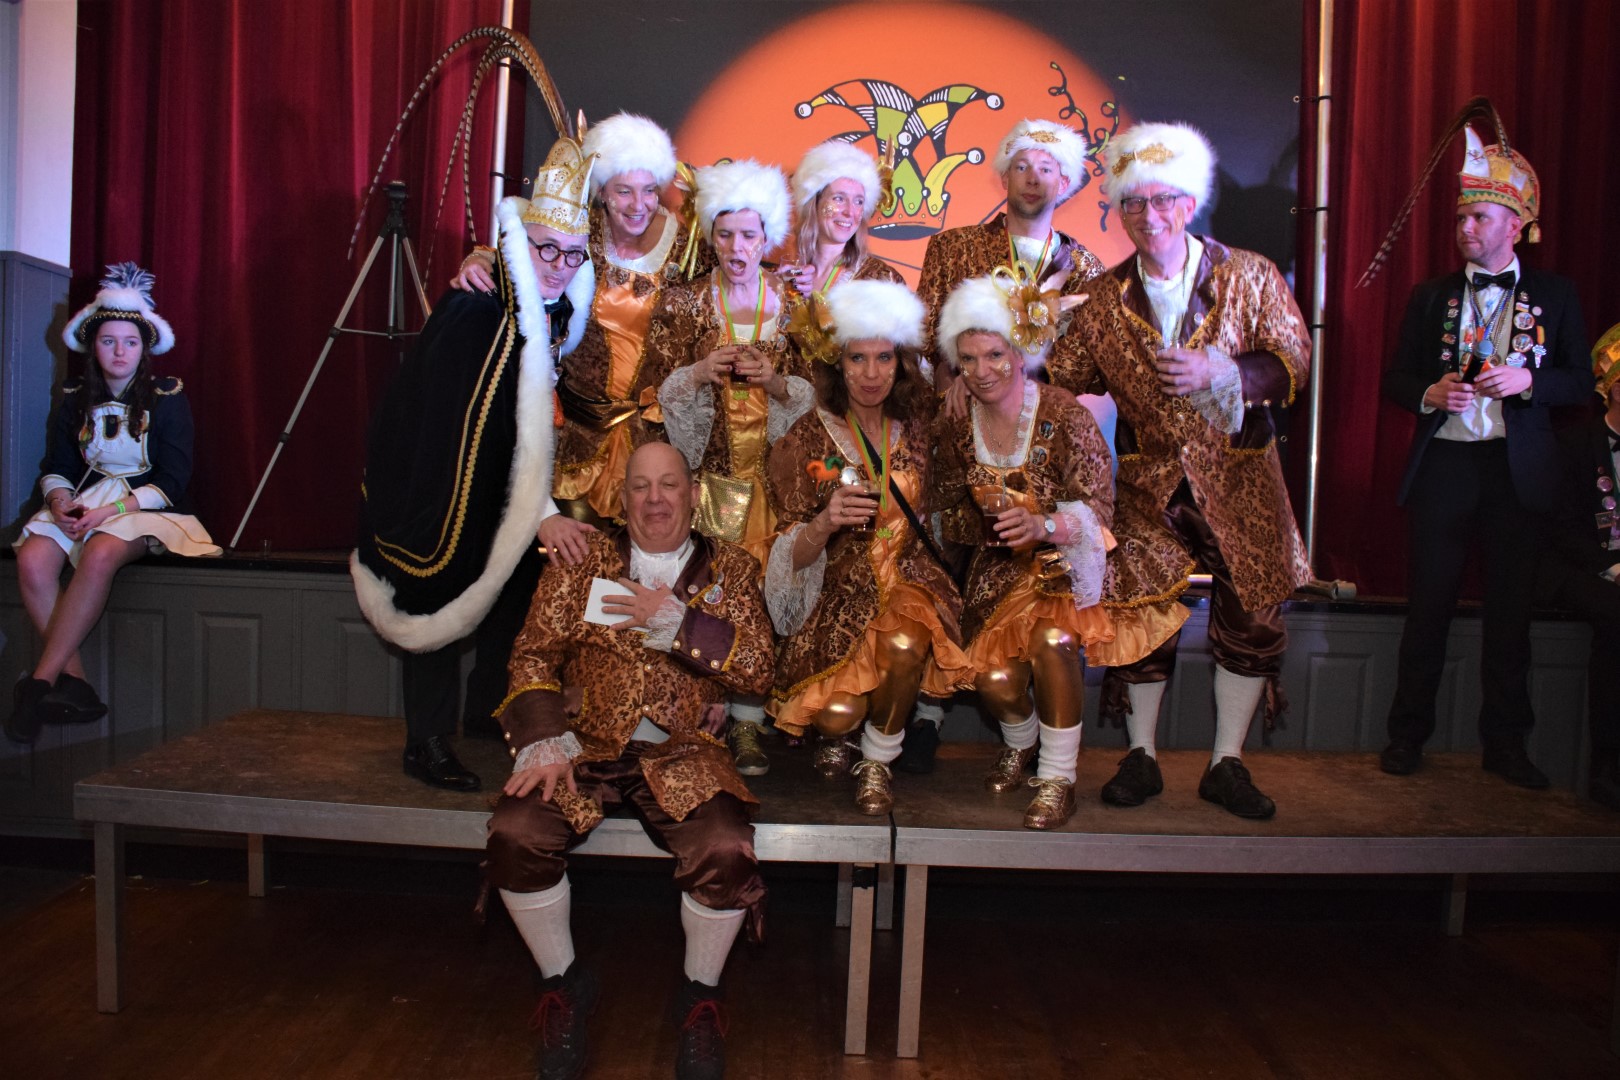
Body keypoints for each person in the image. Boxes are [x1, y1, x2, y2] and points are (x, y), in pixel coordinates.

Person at [1049, 121, 1312, 820]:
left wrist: (1225, 372)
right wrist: (1027, 331)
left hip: (1241, 476)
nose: (1149, 215)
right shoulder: (1103, 297)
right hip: (1148, 484)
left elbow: (1294, 361)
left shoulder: (1249, 274)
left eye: (1163, 199)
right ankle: (1141, 755)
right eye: (1133, 202)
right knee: (1139, 610)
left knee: (1252, 614)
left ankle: (1227, 761)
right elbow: (1065, 374)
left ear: (1189, 204)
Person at [487, 440, 774, 1080]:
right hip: (583, 745)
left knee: (726, 850)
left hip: (683, 751)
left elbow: (759, 670)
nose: (655, 499)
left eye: (669, 484)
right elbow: (532, 654)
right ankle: (563, 985)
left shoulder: (731, 568)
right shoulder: (581, 559)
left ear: (693, 495)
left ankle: (700, 1002)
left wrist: (673, 620)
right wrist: (543, 737)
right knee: (514, 832)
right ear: (622, 499)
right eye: (640, 486)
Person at [351, 134, 596, 792]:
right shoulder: (475, 309)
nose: (559, 265)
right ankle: (426, 740)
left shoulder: (552, 312)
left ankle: (490, 709)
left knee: (517, 585)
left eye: (573, 253)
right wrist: (539, 512)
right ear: (519, 243)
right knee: (440, 581)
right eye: (546, 249)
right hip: (446, 483)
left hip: (502, 486)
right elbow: (457, 427)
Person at [1377, 121, 1592, 787]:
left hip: (1515, 471)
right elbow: (1395, 379)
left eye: (1479, 218)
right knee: (1428, 610)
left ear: (1514, 226)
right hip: (1445, 466)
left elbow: (1581, 381)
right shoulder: (1430, 296)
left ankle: (1506, 746)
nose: (1465, 228)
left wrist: (1530, 381)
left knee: (1510, 618)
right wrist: (1430, 393)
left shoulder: (1555, 295)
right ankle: (1406, 736)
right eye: (1461, 218)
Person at [763, 278, 969, 814]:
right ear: (837, 362)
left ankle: (878, 760)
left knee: (903, 644)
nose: (872, 374)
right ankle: (848, 732)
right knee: (833, 718)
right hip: (840, 594)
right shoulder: (807, 438)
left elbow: (953, 494)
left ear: (901, 363)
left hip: (909, 577)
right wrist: (824, 523)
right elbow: (787, 556)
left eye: (884, 358)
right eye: (858, 358)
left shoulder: (919, 427)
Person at [453, 113, 707, 529]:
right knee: (577, 552)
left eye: (648, 190)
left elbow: (737, 280)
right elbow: (529, 250)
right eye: (623, 191)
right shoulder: (579, 228)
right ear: (601, 191)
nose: (638, 205)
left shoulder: (690, 245)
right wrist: (481, 258)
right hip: (577, 438)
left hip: (654, 445)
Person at [7, 264, 221, 744]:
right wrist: (60, 501)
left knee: (102, 550)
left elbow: (173, 479)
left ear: (145, 348)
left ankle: (38, 684)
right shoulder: (75, 398)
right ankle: (76, 684)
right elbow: (57, 465)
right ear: (93, 347)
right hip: (87, 502)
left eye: (130, 342)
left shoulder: (168, 398)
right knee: (33, 558)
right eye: (109, 341)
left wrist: (113, 511)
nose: (120, 351)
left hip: (145, 508)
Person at [932, 274, 1114, 829]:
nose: (982, 370)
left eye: (994, 354)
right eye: (968, 359)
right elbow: (943, 503)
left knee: (1054, 641)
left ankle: (1058, 778)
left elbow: (1100, 509)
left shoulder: (1064, 413)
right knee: (994, 683)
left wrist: (1043, 524)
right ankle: (1022, 740)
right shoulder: (957, 421)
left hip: (1063, 564)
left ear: (1019, 352)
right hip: (995, 574)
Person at [651, 159, 815, 775]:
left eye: (749, 234)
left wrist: (777, 382)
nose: (737, 247)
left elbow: (826, 395)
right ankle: (711, 720)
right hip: (716, 485)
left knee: (772, 599)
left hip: (779, 485)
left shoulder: (797, 304)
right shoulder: (685, 302)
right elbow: (653, 389)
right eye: (724, 234)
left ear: (768, 235)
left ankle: (753, 723)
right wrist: (697, 373)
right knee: (719, 595)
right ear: (710, 236)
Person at [916, 118, 1104, 382]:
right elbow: (923, 343)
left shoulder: (1085, 269)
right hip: (964, 400)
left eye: (1045, 169)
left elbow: (1091, 365)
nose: (1032, 179)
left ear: (1063, 183)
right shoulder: (952, 248)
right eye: (1022, 167)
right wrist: (951, 381)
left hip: (1044, 405)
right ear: (1005, 178)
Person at [1540, 323, 1620, 810]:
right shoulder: (1574, 444)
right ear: (1614, 389)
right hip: (1582, 569)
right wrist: (1614, 567)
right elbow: (1561, 528)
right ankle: (1607, 767)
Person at [779, 140, 904, 301]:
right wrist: (778, 294)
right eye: (839, 198)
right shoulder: (790, 276)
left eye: (858, 201)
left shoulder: (882, 281)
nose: (849, 212)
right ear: (814, 204)